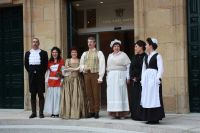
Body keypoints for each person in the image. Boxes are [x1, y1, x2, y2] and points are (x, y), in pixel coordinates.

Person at [140, 37, 165, 124]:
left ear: (151, 45)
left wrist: (158, 78)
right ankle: (149, 117)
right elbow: (143, 69)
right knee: (147, 97)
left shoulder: (158, 56)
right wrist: (142, 80)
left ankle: (155, 118)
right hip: (147, 80)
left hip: (154, 80)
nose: (145, 46)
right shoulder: (145, 57)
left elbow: (161, 68)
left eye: (146, 44)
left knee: (154, 97)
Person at [80, 36, 105, 119]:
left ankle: (97, 111)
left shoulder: (99, 53)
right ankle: (91, 111)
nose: (89, 43)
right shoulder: (84, 53)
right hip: (87, 75)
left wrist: (100, 77)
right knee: (89, 93)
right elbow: (81, 64)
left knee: (96, 93)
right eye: (88, 42)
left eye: (91, 42)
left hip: (95, 74)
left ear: (94, 43)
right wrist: (84, 67)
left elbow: (102, 65)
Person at [106, 39, 131, 119]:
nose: (116, 48)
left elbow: (128, 66)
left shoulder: (123, 55)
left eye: (118, 46)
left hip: (120, 75)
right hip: (111, 77)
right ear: (112, 47)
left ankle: (122, 113)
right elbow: (108, 68)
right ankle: (114, 113)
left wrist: (128, 77)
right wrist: (107, 78)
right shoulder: (110, 55)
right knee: (113, 95)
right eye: (115, 46)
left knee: (120, 94)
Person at [60, 48, 87, 119]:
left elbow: (81, 69)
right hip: (68, 80)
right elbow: (66, 68)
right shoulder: (67, 60)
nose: (74, 53)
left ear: (77, 53)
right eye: (72, 52)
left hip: (77, 80)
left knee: (76, 96)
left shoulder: (80, 60)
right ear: (71, 53)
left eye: (75, 52)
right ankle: (68, 113)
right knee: (69, 96)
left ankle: (76, 113)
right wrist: (75, 69)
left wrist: (73, 68)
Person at [25, 38, 48, 118]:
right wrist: (32, 72)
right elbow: (26, 65)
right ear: (32, 43)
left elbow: (45, 65)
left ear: (39, 43)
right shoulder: (27, 53)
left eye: (36, 42)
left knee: (41, 94)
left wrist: (40, 73)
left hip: (40, 76)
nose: (35, 43)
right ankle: (33, 113)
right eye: (33, 42)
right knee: (33, 94)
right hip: (32, 77)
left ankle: (41, 113)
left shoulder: (44, 53)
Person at [44, 47, 64, 118]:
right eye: (53, 52)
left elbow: (63, 71)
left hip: (58, 82)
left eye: (56, 52)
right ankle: (52, 112)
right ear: (51, 53)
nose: (54, 54)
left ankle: (57, 112)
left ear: (58, 53)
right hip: (51, 82)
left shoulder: (61, 61)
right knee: (51, 98)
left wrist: (62, 81)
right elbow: (48, 72)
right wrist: (46, 81)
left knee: (57, 98)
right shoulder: (49, 62)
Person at [129, 40, 146, 120]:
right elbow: (131, 68)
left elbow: (145, 70)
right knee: (134, 98)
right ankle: (134, 115)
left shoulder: (145, 57)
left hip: (141, 81)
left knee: (141, 98)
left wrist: (139, 78)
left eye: (136, 46)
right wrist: (132, 77)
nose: (135, 48)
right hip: (134, 81)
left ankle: (141, 115)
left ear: (141, 47)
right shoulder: (134, 57)